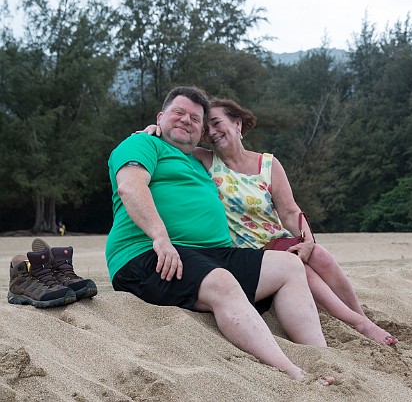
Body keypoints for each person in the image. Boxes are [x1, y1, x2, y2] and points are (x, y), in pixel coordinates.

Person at [106, 86, 333, 384]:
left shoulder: (200, 162)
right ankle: (291, 371)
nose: (186, 120)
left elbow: (262, 195)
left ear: (201, 132)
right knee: (221, 280)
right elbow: (131, 187)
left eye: (195, 118)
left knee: (289, 266)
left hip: (212, 254)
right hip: (148, 253)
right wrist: (160, 237)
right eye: (178, 113)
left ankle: (322, 356)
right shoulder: (142, 145)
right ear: (161, 118)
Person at [142, 98, 398, 346]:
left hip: (277, 240)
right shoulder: (204, 160)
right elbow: (172, 141)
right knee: (300, 268)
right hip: (246, 252)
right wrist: (153, 129)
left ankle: (362, 317)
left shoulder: (267, 163)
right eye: (207, 128)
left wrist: (307, 241)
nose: (212, 131)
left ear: (237, 125)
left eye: (217, 123)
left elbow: (289, 212)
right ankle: (358, 323)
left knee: (319, 254)